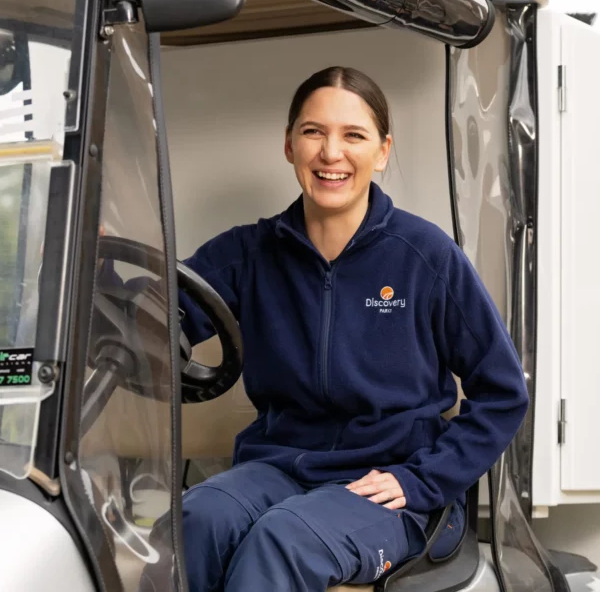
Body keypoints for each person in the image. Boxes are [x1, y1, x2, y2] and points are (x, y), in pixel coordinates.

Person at [161, 66, 529, 590]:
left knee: (282, 541)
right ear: (289, 146)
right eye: (313, 132)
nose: (331, 153)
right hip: (277, 466)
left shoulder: (425, 256)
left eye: (353, 135)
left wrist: (422, 478)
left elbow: (503, 393)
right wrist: (96, 271)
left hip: (383, 485)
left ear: (382, 151)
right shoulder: (248, 253)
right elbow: (156, 317)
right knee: (191, 524)